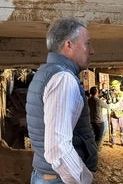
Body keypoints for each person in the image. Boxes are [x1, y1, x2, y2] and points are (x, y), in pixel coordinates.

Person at [26, 17, 98, 184]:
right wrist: (84, 179)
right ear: (69, 45)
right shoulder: (62, 79)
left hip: (47, 176)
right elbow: (58, 148)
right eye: (87, 43)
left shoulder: (46, 73)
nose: (92, 50)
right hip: (59, 179)